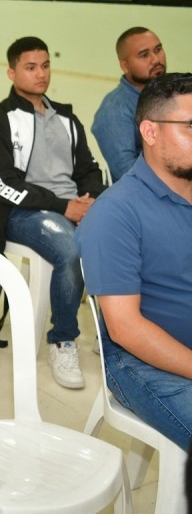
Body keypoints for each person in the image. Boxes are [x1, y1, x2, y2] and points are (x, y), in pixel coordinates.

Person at [0, 36, 105, 389]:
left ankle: (112, 333)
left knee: (125, 237)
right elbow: (2, 184)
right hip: (22, 213)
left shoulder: (66, 117)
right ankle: (62, 340)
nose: (41, 74)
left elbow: (88, 168)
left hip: (74, 206)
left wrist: (92, 200)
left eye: (45, 65)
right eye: (30, 67)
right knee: (71, 250)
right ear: (11, 72)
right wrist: (64, 207)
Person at [76, 72, 192, 451]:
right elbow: (126, 328)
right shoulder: (116, 213)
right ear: (150, 131)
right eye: (190, 127)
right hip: (144, 362)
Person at [91, 27, 167, 183]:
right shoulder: (115, 109)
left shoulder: (172, 96)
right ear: (125, 66)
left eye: (158, 50)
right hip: (149, 193)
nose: (156, 59)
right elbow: (126, 171)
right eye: (144, 55)